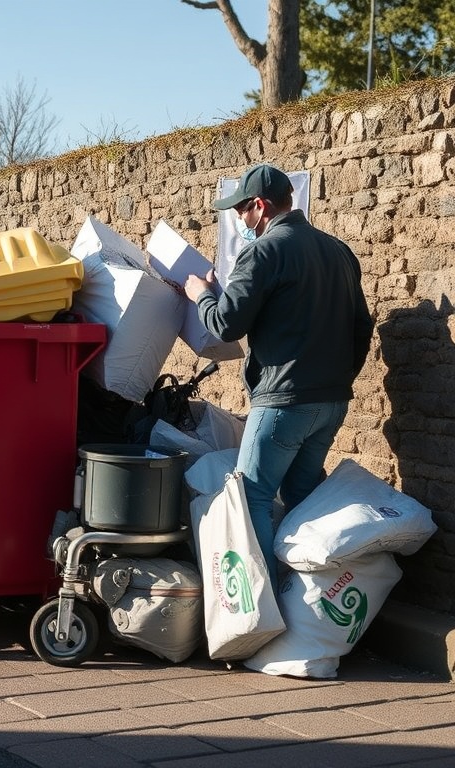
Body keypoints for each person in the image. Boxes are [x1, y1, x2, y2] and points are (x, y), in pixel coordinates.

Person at [183, 163, 373, 593]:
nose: (238, 220)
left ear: (261, 206)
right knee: (305, 498)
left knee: (252, 498)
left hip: (283, 403)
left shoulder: (263, 251)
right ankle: (311, 601)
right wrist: (340, 381)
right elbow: (363, 327)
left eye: (241, 211)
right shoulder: (339, 251)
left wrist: (202, 295)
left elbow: (226, 324)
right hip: (331, 402)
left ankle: (263, 617)